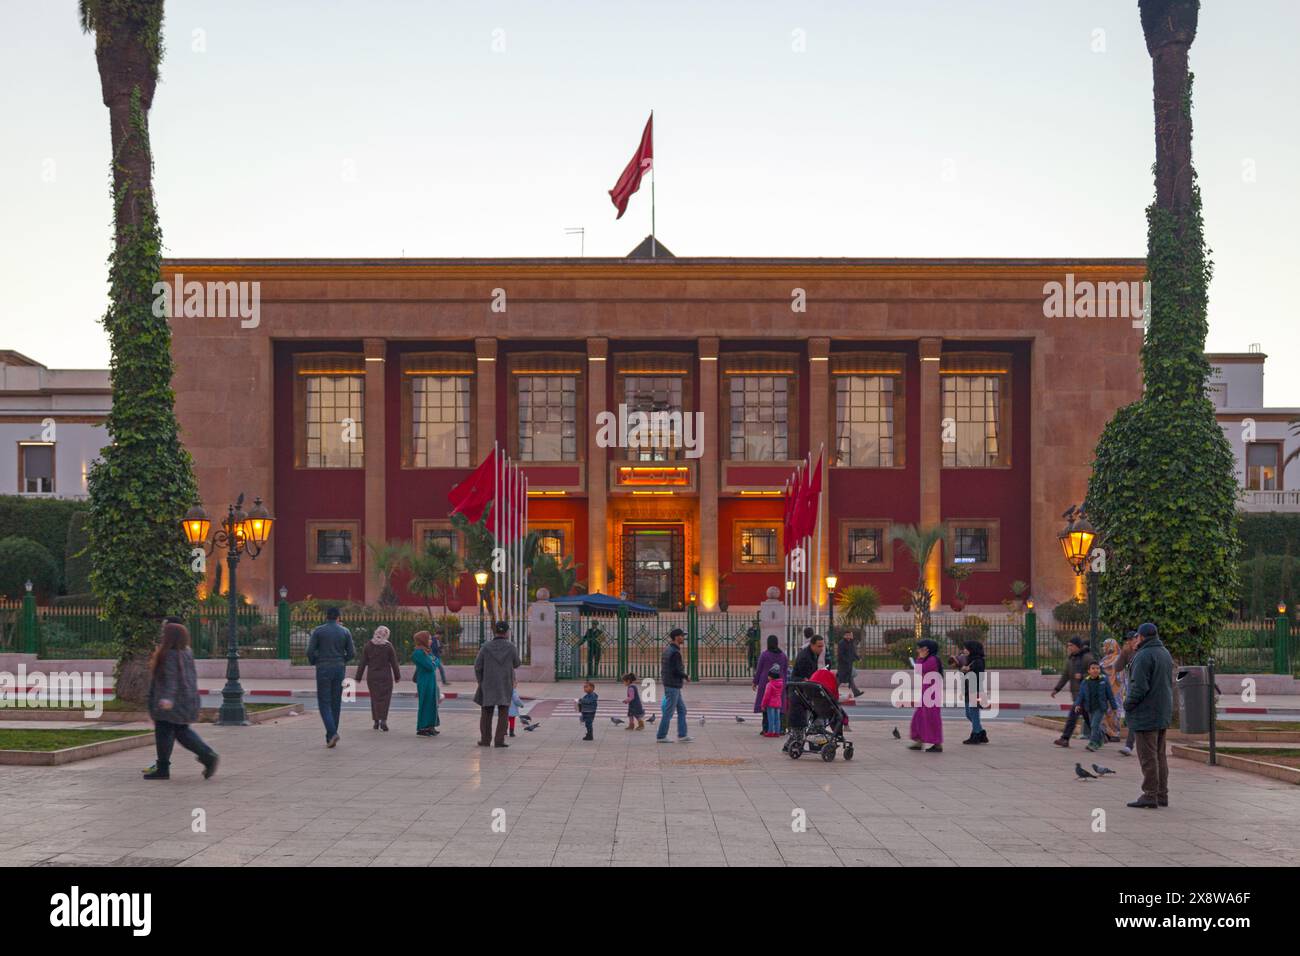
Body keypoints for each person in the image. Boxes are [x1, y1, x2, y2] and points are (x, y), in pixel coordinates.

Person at [143, 622, 218, 781]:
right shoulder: (186, 652)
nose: (162, 635)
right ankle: (206, 755)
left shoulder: (169, 654)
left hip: (173, 702)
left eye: (164, 633)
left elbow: (171, 679)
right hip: (187, 699)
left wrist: (167, 699)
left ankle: (165, 768)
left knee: (166, 732)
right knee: (181, 731)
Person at [1124, 622, 1174, 809]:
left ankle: (1150, 794)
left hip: (1146, 713)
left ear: (1142, 637)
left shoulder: (1144, 655)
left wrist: (1128, 704)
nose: (1135, 640)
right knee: (1160, 755)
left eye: (1137, 636)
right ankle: (1162, 794)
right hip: (1161, 711)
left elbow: (1139, 687)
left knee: (1148, 756)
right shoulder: (1164, 653)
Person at [307, 607, 356, 748]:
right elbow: (352, 653)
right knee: (336, 703)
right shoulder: (345, 631)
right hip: (339, 668)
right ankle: (330, 737)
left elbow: (310, 651)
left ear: (326, 616)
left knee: (324, 703)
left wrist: (315, 661)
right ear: (338, 617)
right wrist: (342, 660)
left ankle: (332, 733)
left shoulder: (319, 631)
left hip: (323, 668)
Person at [475, 620, 521, 747]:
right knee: (503, 712)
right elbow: (517, 663)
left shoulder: (486, 647)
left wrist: (481, 681)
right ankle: (499, 740)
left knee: (486, 713)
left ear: (495, 631)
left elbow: (477, 666)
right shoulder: (511, 647)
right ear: (506, 632)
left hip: (488, 683)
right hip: (505, 683)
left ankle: (485, 740)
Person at [355, 624, 401, 731]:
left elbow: (363, 662)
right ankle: (383, 720)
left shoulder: (368, 645)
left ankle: (376, 721)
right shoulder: (388, 646)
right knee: (385, 698)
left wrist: (358, 677)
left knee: (374, 698)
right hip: (386, 676)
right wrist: (397, 676)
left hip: (372, 676)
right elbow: (394, 663)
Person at [1051, 636, 1095, 747]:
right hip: (1076, 694)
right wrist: (1057, 689)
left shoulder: (1087, 658)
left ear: (1077, 646)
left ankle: (1065, 738)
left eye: (1071, 645)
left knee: (1072, 716)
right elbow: (1065, 675)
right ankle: (1102, 736)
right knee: (1088, 719)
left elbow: (1096, 673)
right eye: (1068, 645)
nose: (1069, 647)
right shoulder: (1071, 659)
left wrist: (1083, 676)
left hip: (1085, 693)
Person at [783, 633, 823, 751]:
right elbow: (806, 677)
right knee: (799, 722)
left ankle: (788, 746)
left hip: (801, 691)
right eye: (819, 646)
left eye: (822, 646)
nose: (821, 649)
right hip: (799, 691)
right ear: (812, 645)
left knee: (800, 721)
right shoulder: (805, 657)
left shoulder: (812, 654)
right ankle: (794, 746)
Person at [655, 627, 693, 743]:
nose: (683, 638)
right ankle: (661, 736)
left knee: (682, 710)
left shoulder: (668, 650)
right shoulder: (675, 652)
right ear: (677, 637)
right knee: (669, 712)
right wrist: (686, 676)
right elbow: (676, 670)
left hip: (671, 684)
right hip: (673, 685)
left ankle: (682, 734)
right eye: (682, 636)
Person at [907, 638, 943, 752]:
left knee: (931, 717)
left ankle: (937, 744)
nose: (918, 650)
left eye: (920, 648)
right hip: (926, 691)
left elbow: (919, 669)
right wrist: (921, 657)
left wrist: (920, 657)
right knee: (920, 716)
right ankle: (919, 740)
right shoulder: (929, 658)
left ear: (927, 649)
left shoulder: (932, 659)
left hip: (931, 693)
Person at [1075, 660, 1118, 752]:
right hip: (1090, 707)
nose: (1095, 670)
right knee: (1094, 725)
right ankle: (1102, 737)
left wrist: (1114, 707)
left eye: (1097, 668)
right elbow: (1081, 695)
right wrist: (1078, 704)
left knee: (1094, 725)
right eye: (1093, 668)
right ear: (1089, 671)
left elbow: (1110, 695)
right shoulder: (1085, 682)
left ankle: (1093, 743)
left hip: (1100, 707)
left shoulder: (1104, 680)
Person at [752, 634, 789, 732]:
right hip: (780, 683)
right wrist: (785, 683)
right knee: (778, 705)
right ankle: (780, 728)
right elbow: (785, 670)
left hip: (766, 682)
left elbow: (759, 669)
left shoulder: (764, 655)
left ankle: (766, 728)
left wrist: (755, 682)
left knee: (766, 704)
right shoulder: (783, 656)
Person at [957, 639, 988, 745]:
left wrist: (967, 670)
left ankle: (975, 735)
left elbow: (978, 675)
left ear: (972, 649)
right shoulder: (969, 659)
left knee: (974, 713)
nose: (964, 650)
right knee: (969, 714)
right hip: (967, 690)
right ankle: (981, 732)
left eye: (966, 648)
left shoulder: (978, 661)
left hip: (975, 690)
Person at [1116, 630, 1141, 756]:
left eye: (1134, 639)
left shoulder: (1145, 650)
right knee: (1132, 716)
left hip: (1147, 690)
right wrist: (1123, 653)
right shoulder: (1128, 652)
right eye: (1130, 640)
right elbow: (1117, 667)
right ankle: (1129, 746)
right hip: (1133, 689)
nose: (1132, 642)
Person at [412, 630, 440, 736]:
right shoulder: (418, 653)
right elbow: (431, 666)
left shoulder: (427, 651)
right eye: (428, 639)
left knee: (432, 703)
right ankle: (423, 727)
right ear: (423, 640)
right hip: (424, 681)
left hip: (430, 680)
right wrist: (434, 662)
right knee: (425, 703)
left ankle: (430, 725)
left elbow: (436, 660)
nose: (431, 641)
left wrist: (434, 661)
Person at [1098, 636, 1126, 742]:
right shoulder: (1105, 659)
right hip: (1105, 687)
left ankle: (1115, 733)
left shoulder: (1118, 658)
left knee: (1114, 710)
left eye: (1105, 646)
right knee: (1106, 710)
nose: (1103, 648)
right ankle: (1108, 732)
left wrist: (1119, 684)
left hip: (1115, 688)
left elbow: (1120, 674)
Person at [836, 629, 863, 698]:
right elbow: (841, 654)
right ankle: (831, 690)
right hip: (843, 665)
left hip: (849, 664)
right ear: (844, 636)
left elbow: (853, 652)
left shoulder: (850, 642)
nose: (849, 636)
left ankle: (856, 692)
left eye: (850, 635)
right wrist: (847, 660)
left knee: (849, 678)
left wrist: (858, 658)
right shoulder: (841, 643)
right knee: (840, 679)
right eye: (847, 635)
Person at [760, 665, 784, 737]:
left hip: (770, 704)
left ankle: (770, 732)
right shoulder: (781, 684)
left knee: (771, 718)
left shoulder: (769, 684)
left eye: (769, 675)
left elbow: (766, 696)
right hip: (778, 703)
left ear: (771, 676)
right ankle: (777, 732)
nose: (768, 677)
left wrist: (763, 705)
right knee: (777, 719)